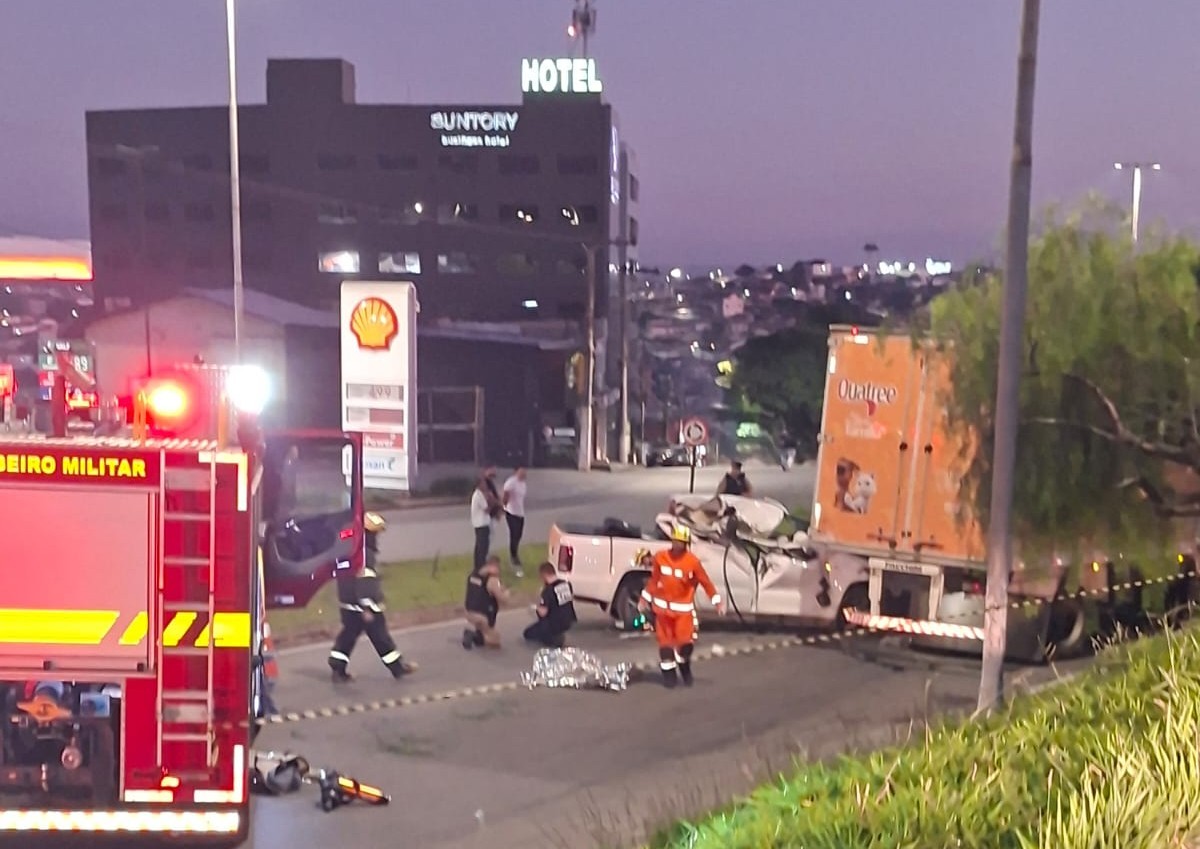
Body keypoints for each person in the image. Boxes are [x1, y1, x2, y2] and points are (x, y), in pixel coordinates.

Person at [327, 512, 418, 683]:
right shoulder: (364, 554)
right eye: (374, 533)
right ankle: (397, 667)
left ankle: (337, 666)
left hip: (348, 603)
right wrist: (367, 606)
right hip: (363, 606)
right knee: (380, 636)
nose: (376, 537)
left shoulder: (346, 548)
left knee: (348, 635)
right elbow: (365, 580)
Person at [638, 525, 726, 688]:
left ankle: (684, 669)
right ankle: (669, 677)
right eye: (674, 541)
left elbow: (706, 583)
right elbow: (654, 581)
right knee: (665, 647)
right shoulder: (660, 557)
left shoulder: (693, 563)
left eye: (680, 542)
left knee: (685, 646)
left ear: (686, 543)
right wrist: (644, 599)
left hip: (682, 613)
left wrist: (717, 602)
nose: (676, 544)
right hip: (662, 612)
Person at [523, 562, 577, 648]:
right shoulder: (566, 584)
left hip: (553, 622)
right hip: (568, 620)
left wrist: (535, 607)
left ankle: (553, 639)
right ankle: (557, 635)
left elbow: (543, 612)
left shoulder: (548, 590)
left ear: (543, 575)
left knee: (527, 633)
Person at [463, 555, 510, 649]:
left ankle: (479, 634)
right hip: (482, 616)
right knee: (495, 641)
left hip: (469, 612)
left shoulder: (473, 575)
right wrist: (507, 592)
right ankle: (471, 635)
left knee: (485, 632)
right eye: (498, 568)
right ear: (494, 566)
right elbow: (503, 599)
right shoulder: (492, 580)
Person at [470, 467, 502, 571]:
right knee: (482, 547)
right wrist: (493, 502)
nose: (485, 485)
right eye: (483, 483)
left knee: (480, 546)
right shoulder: (479, 495)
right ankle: (480, 566)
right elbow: (486, 509)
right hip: (481, 524)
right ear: (479, 484)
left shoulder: (480, 494)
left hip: (482, 523)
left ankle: (478, 566)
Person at [502, 467, 528, 577]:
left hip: (520, 513)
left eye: (525, 471)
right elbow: (505, 495)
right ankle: (513, 556)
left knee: (519, 534)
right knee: (514, 534)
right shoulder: (511, 483)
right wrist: (504, 505)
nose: (524, 473)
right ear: (516, 471)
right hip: (511, 512)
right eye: (521, 471)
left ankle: (515, 552)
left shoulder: (523, 484)